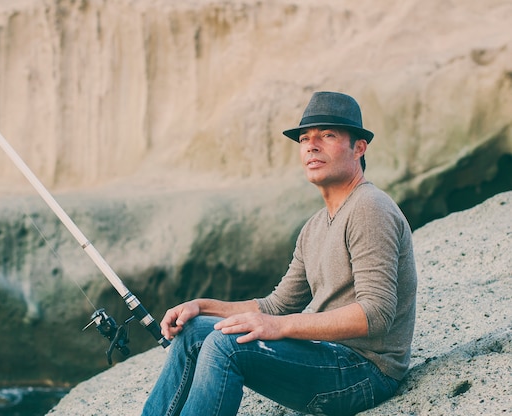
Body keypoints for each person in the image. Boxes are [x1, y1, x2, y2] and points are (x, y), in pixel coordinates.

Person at [141, 91, 418, 416]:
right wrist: (201, 307)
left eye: (327, 135)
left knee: (226, 346)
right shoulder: (314, 227)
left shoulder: (369, 207)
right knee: (194, 332)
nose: (312, 146)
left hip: (366, 372)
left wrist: (282, 327)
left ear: (359, 147)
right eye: (304, 139)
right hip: (327, 357)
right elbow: (275, 306)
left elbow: (376, 314)